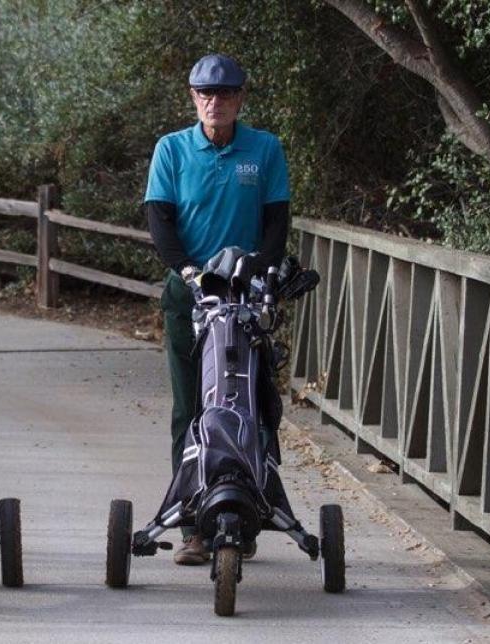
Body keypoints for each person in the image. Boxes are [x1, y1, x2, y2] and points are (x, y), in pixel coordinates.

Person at [144, 54, 291, 565]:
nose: (215, 102)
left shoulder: (264, 149)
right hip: (189, 293)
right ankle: (193, 524)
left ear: (240, 98)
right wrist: (187, 269)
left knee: (251, 404)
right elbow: (159, 219)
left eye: (225, 93)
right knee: (191, 408)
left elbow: (277, 222)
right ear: (193, 97)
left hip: (245, 296)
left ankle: (245, 515)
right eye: (206, 93)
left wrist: (257, 267)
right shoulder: (172, 149)